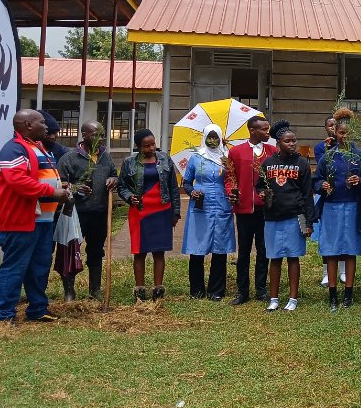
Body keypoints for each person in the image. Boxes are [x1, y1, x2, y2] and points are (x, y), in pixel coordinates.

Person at [0, 109, 71, 323]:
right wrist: (52, 192)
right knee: (15, 267)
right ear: (28, 125)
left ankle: (37, 309)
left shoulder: (36, 147)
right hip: (20, 220)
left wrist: (59, 185)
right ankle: (5, 315)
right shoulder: (13, 149)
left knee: (39, 267)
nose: (46, 127)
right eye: (42, 123)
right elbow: (17, 180)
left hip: (42, 220)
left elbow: (39, 176)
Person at [314, 114, 361, 311]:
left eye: (348, 133)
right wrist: (321, 185)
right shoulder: (327, 157)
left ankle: (348, 294)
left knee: (350, 251)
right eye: (341, 133)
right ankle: (332, 294)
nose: (344, 136)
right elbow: (315, 180)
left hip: (354, 207)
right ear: (335, 133)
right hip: (331, 208)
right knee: (331, 251)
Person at [57, 120, 118, 301]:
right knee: (71, 250)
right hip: (75, 213)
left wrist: (114, 180)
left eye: (102, 134)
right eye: (96, 135)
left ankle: (95, 290)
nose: (101, 138)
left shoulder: (105, 156)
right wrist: (76, 188)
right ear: (84, 135)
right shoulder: (69, 158)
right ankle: (69, 291)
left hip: (99, 213)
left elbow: (113, 173)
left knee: (96, 250)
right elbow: (58, 184)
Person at [118, 129, 181, 302]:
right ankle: (140, 291)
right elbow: (121, 185)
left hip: (162, 210)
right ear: (138, 147)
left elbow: (173, 187)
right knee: (140, 251)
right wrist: (129, 197)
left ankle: (158, 291)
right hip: (140, 211)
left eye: (153, 144)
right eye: (146, 146)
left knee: (159, 251)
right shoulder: (129, 162)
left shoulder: (165, 159)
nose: (151, 148)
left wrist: (176, 211)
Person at [258, 120, 313, 312]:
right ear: (278, 143)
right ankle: (273, 298)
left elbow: (307, 194)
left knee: (293, 258)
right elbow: (259, 186)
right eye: (288, 141)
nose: (292, 144)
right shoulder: (268, 163)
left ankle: (293, 298)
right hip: (273, 217)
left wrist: (308, 222)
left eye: (294, 141)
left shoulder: (302, 164)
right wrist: (263, 193)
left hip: (294, 217)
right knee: (274, 258)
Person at [181, 124, 237, 300]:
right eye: (209, 137)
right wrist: (192, 192)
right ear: (204, 138)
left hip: (222, 205)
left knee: (220, 248)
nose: (212, 141)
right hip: (200, 206)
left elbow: (232, 180)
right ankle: (196, 290)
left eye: (215, 137)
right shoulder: (196, 158)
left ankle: (216, 290)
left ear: (221, 138)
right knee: (197, 247)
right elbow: (187, 182)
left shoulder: (227, 158)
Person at [226, 115, 276, 305]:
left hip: (266, 209)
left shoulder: (272, 151)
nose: (267, 132)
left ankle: (262, 289)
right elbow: (230, 177)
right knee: (244, 251)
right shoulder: (236, 152)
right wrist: (231, 192)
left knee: (264, 250)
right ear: (252, 130)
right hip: (244, 208)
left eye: (268, 129)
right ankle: (242, 290)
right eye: (264, 129)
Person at [312, 116, 344, 287]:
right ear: (325, 128)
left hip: (343, 195)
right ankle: (326, 272)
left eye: (335, 126)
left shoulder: (347, 148)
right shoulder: (320, 147)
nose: (332, 128)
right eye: (329, 125)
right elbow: (322, 167)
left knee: (343, 234)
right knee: (328, 235)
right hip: (326, 195)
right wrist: (327, 147)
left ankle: (343, 270)